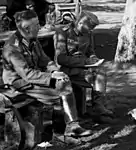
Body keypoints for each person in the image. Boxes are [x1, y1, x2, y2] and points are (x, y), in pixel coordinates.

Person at [1, 10, 93, 139]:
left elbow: (45, 60)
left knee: (63, 83)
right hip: (18, 84)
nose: (40, 26)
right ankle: (57, 132)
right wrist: (51, 77)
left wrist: (55, 71)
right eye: (37, 24)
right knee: (57, 94)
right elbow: (27, 74)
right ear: (27, 29)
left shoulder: (32, 40)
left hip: (33, 79)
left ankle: (71, 127)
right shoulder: (12, 47)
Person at [53, 10, 115, 124]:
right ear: (80, 23)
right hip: (69, 69)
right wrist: (85, 62)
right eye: (89, 27)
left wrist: (94, 59)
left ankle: (98, 106)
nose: (91, 31)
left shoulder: (88, 34)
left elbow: (90, 51)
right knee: (92, 77)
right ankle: (89, 111)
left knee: (101, 73)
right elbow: (60, 59)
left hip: (85, 66)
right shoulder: (63, 32)